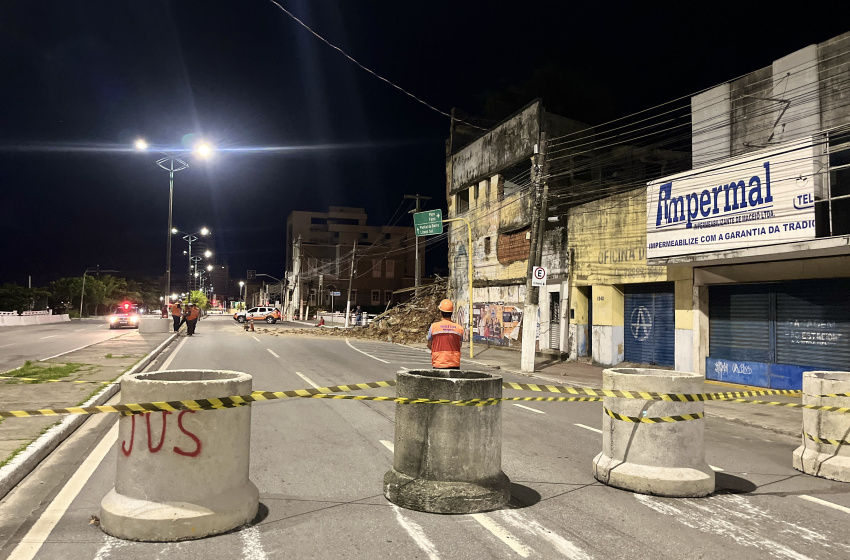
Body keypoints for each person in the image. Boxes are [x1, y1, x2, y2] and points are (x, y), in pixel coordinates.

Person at [427, 299, 464, 369]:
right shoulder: (459, 328)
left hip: (438, 362)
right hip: (454, 363)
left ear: (440, 313)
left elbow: (429, 344)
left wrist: (436, 351)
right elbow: (459, 345)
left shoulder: (434, 327)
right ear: (452, 313)